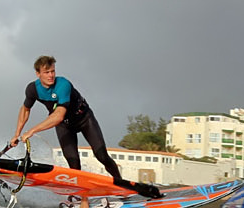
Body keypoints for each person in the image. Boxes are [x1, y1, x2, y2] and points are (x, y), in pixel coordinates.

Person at [9, 55, 161, 198]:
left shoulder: (63, 85)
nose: (50, 75)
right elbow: (25, 109)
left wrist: (32, 131)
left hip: (84, 119)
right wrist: (17, 134)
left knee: (101, 155)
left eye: (53, 71)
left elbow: (58, 115)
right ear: (38, 74)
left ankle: (121, 186)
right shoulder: (32, 89)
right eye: (46, 72)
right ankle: (82, 198)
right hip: (64, 126)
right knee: (73, 164)